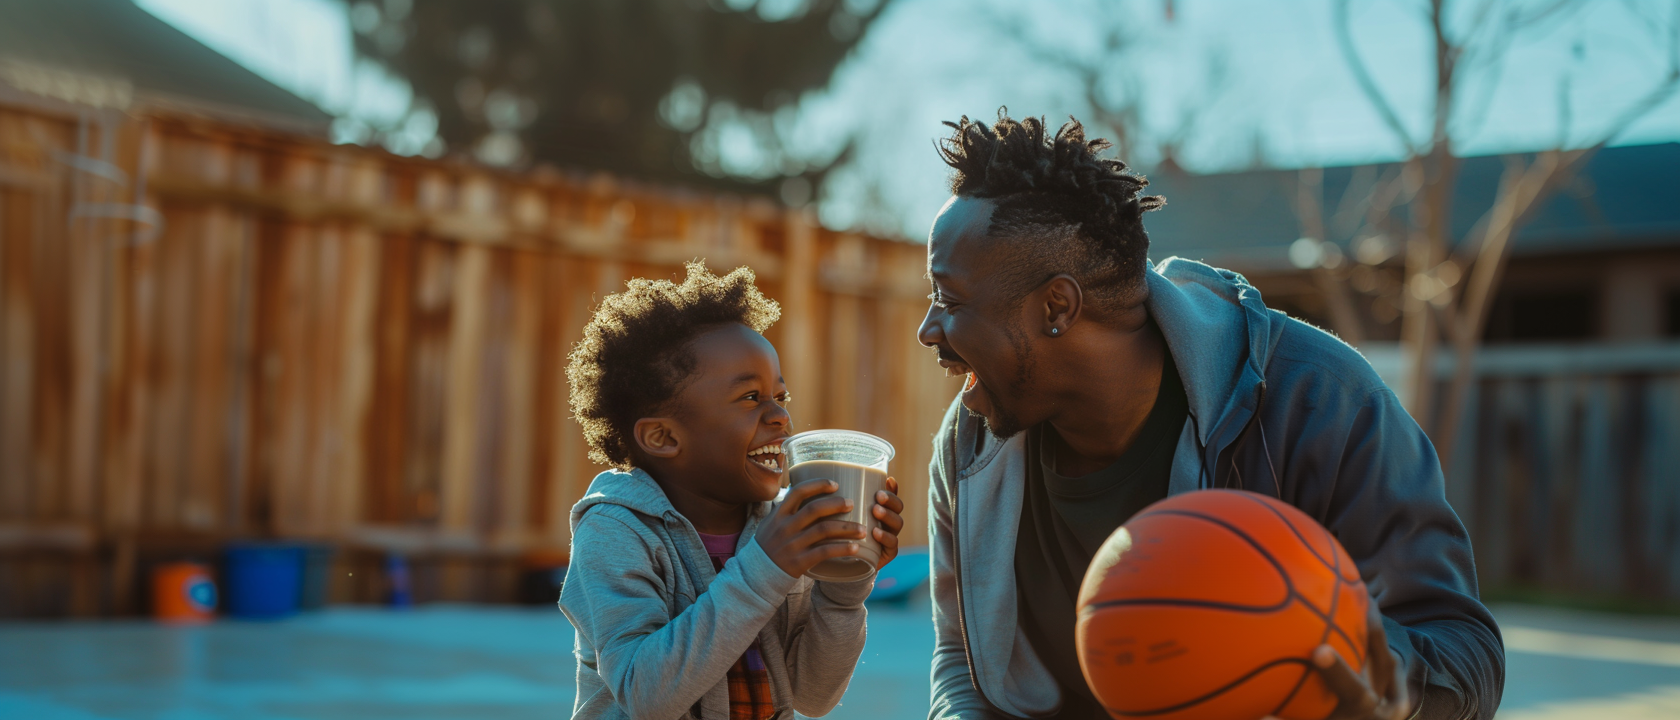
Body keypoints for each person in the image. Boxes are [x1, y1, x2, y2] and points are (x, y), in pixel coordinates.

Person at [918, 112, 1503, 720]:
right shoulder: (968, 449)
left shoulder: (1319, 402)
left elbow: (1467, 654)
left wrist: (1384, 683)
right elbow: (961, 660)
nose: (927, 330)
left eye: (949, 300)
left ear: (1057, 307)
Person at [560, 262, 907, 720]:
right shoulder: (615, 531)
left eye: (780, 397)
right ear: (664, 437)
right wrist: (766, 565)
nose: (780, 417)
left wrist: (844, 583)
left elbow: (811, 696)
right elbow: (646, 695)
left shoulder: (776, 526)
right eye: (749, 398)